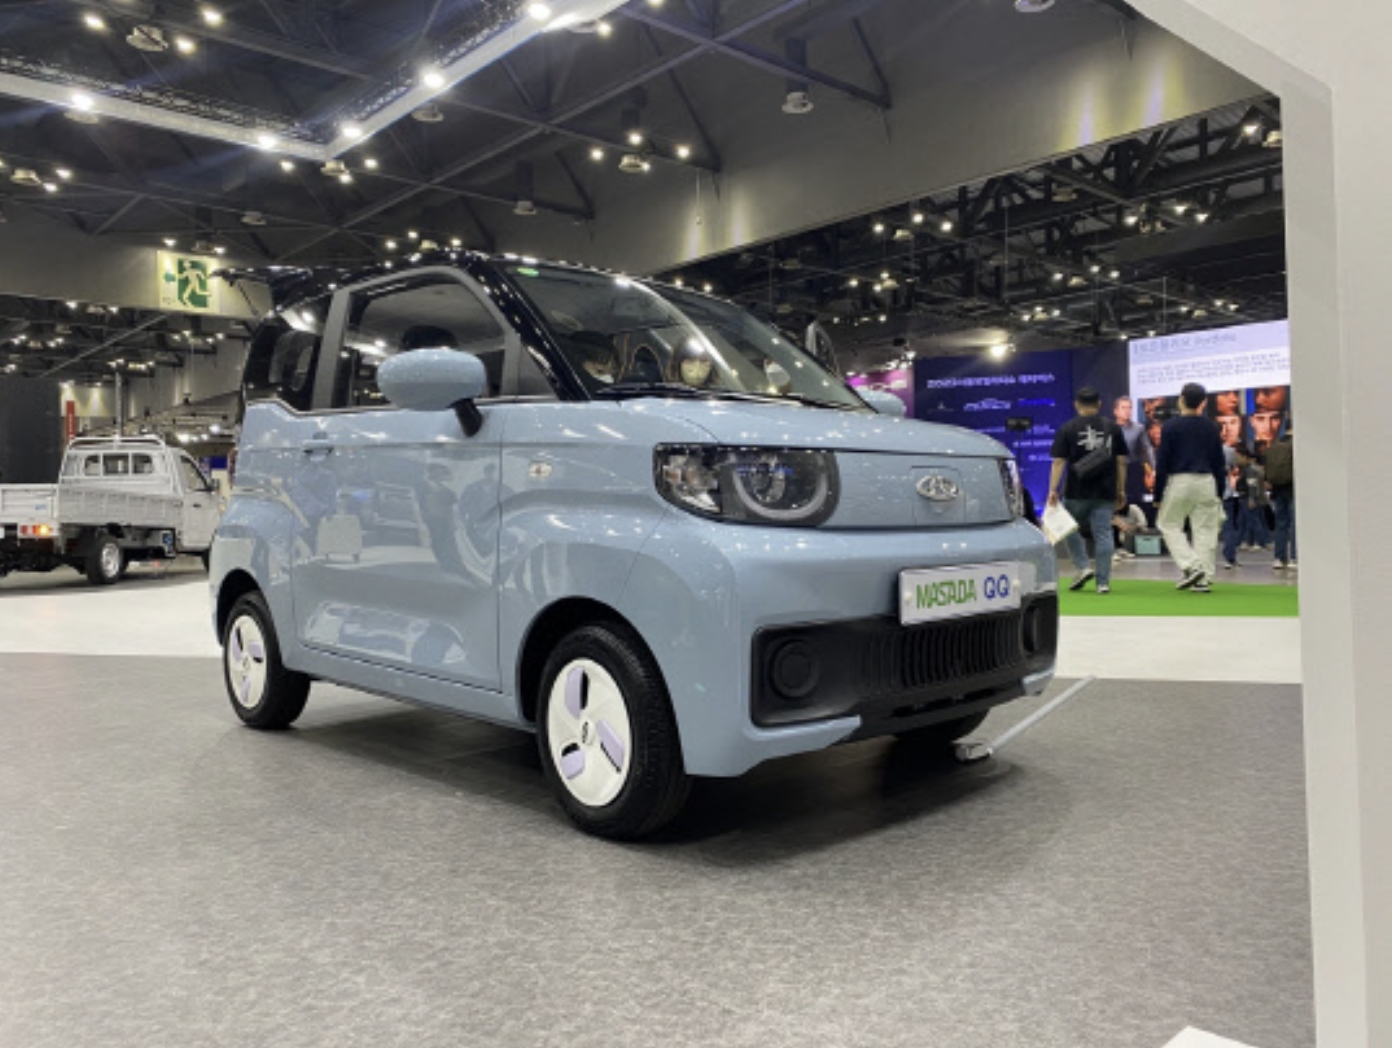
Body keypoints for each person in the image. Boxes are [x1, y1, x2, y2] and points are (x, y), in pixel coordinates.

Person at [1047, 387, 1127, 594]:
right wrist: (1121, 489)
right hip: (1105, 490)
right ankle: (1103, 582)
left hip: (1076, 490)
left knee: (1068, 528)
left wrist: (1052, 489)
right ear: (1099, 404)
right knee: (1103, 533)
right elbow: (1121, 461)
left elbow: (1058, 461)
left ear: (1076, 405)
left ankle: (1083, 567)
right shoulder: (1113, 428)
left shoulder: (1067, 428)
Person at [1154, 382, 1228, 593]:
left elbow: (1162, 462)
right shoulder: (1211, 427)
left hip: (1180, 480)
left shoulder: (1171, 426)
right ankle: (1203, 578)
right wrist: (1219, 490)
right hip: (1207, 481)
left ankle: (1191, 566)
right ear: (1203, 402)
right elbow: (1219, 462)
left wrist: (1158, 493)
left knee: (1168, 524)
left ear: (1181, 399)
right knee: (1205, 530)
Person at [1264, 416, 1297, 570]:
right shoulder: (1296, 444)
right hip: (1293, 487)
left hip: (1277, 488)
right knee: (1295, 523)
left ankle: (1279, 557)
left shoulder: (1275, 444)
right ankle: (1294, 557)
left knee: (1281, 524)